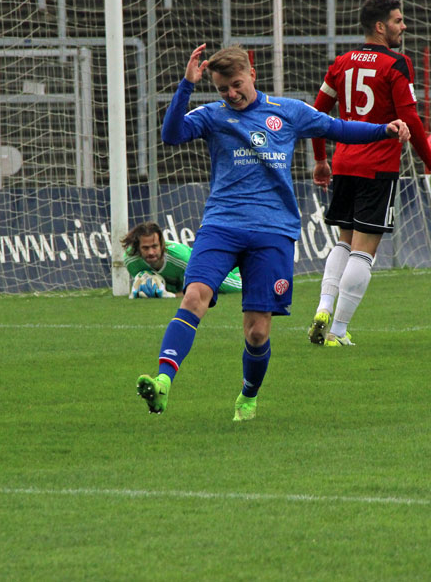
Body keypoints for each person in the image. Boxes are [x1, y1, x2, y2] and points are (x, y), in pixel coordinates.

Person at [136, 43, 411, 420]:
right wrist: (186, 85)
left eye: (235, 85)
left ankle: (248, 396)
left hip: (273, 232)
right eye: (221, 89)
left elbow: (338, 128)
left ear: (251, 73)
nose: (230, 95)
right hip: (221, 225)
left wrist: (385, 129)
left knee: (257, 333)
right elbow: (172, 134)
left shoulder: (289, 112)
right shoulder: (213, 116)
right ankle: (164, 381)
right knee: (193, 296)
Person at [307, 0, 431, 348]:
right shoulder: (397, 64)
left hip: (343, 163)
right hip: (378, 167)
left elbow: (317, 114)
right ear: (379, 27)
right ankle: (338, 331)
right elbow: (412, 119)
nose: (403, 27)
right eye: (398, 21)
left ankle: (323, 307)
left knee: (345, 240)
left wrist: (321, 160)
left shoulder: (341, 63)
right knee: (364, 251)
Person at [121, 221, 242, 297]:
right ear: (138, 248)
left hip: (204, 267)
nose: (151, 252)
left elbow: (195, 290)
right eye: (145, 248)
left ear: (162, 244)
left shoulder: (180, 259)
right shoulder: (131, 260)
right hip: (181, 280)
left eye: (154, 246)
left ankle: (239, 268)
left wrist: (172, 296)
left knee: (241, 288)